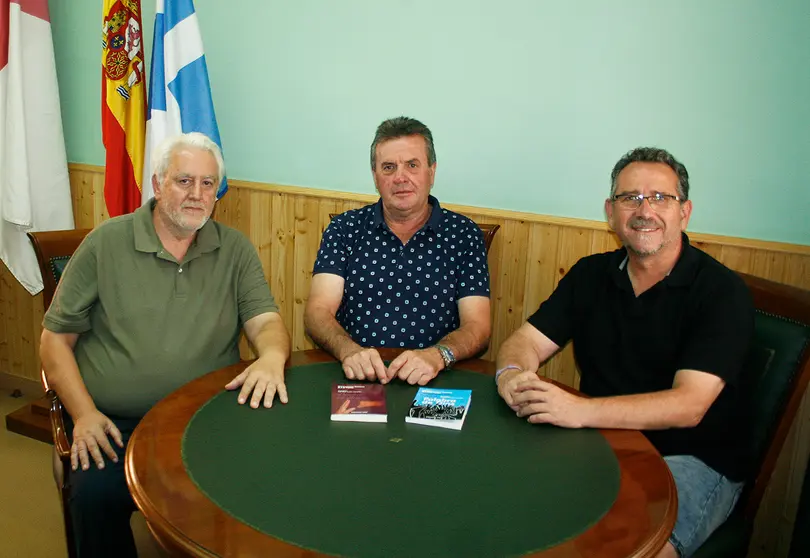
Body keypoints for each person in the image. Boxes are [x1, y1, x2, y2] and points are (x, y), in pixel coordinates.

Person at [39, 132, 291, 558]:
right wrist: (82, 414)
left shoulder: (234, 249)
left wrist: (272, 356)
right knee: (95, 497)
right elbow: (53, 341)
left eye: (208, 183)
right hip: (115, 424)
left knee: (267, 483)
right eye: (184, 181)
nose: (197, 194)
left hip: (207, 421)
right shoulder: (105, 244)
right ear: (157, 185)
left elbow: (265, 320)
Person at [495, 147, 754, 558]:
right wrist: (510, 373)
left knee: (627, 550)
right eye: (629, 197)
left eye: (659, 198)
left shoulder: (722, 292)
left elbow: (689, 406)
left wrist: (578, 412)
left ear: (684, 212)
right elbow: (525, 342)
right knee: (510, 509)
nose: (643, 209)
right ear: (610, 212)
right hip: (601, 443)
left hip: (693, 459)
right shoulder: (590, 274)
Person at [305, 116, 491, 386]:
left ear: (432, 172)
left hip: (437, 377)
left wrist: (438, 356)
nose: (400, 177)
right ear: (375, 177)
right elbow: (317, 311)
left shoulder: (464, 235)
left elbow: (478, 326)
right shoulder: (344, 229)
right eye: (388, 167)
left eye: (412, 165)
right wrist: (349, 351)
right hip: (356, 376)